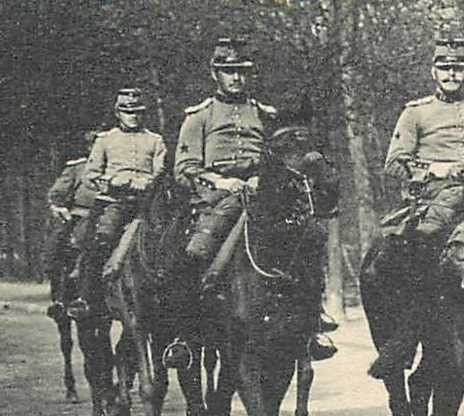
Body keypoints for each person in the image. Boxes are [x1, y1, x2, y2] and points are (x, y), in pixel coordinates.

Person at [174, 37, 336, 360]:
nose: (236, 78)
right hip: (217, 195)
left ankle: (312, 320)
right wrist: (223, 180)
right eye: (228, 71)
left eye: (242, 71)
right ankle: (185, 334)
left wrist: (266, 176)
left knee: (309, 236)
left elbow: (279, 154)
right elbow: (184, 168)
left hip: (262, 191)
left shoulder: (266, 114)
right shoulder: (199, 117)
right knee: (196, 251)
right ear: (215, 74)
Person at [367, 36, 464, 378]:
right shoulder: (416, 112)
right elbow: (395, 162)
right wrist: (434, 170)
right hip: (433, 194)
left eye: (458, 68)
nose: (452, 74)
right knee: (421, 245)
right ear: (433, 72)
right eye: (445, 68)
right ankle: (408, 334)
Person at [65, 87, 166, 320]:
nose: (133, 116)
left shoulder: (155, 140)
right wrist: (113, 181)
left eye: (138, 111)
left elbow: (160, 168)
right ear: (118, 113)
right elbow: (90, 174)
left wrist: (147, 181)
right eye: (127, 111)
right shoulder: (105, 140)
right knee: (100, 241)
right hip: (114, 202)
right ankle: (87, 298)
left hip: (146, 203)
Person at [45, 130, 101, 320]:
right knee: (57, 246)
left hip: (114, 216)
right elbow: (56, 194)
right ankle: (59, 297)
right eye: (94, 147)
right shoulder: (78, 169)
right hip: (81, 216)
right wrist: (60, 209)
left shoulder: (116, 169)